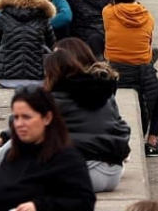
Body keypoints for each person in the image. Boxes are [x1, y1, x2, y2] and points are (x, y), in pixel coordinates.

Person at [0, 86, 95, 211]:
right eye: (16, 117)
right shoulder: (11, 158)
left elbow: (84, 204)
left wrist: (39, 207)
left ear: (47, 118)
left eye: (26, 117)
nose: (19, 124)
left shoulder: (66, 158)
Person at [43, 48, 131, 192]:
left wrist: (4, 139)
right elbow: (121, 127)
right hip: (114, 172)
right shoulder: (105, 93)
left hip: (84, 174)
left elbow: (27, 130)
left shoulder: (57, 98)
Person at [103, 0, 158, 157]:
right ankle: (153, 141)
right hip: (142, 70)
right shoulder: (147, 16)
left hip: (116, 69)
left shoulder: (108, 12)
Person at [0, 0, 57, 88]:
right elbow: (52, 44)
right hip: (38, 79)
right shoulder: (42, 17)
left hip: (6, 79)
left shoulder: (4, 15)